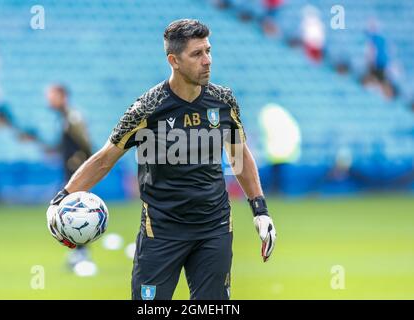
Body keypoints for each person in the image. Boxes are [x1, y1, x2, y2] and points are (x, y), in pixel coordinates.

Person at [46, 19, 276, 300]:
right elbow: (105, 158)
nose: (207, 61)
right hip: (162, 233)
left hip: (214, 229)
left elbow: (239, 154)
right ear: (174, 60)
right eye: (197, 54)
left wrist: (260, 210)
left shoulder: (223, 100)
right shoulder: (147, 108)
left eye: (208, 51)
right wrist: (62, 197)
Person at [46, 85, 94, 273]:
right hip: (70, 174)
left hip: (77, 174)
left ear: (63, 96)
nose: (49, 100)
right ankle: (79, 251)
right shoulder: (64, 118)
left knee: (76, 213)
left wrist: (83, 162)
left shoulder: (73, 117)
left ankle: (81, 253)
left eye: (52, 95)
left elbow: (86, 143)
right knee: (69, 213)